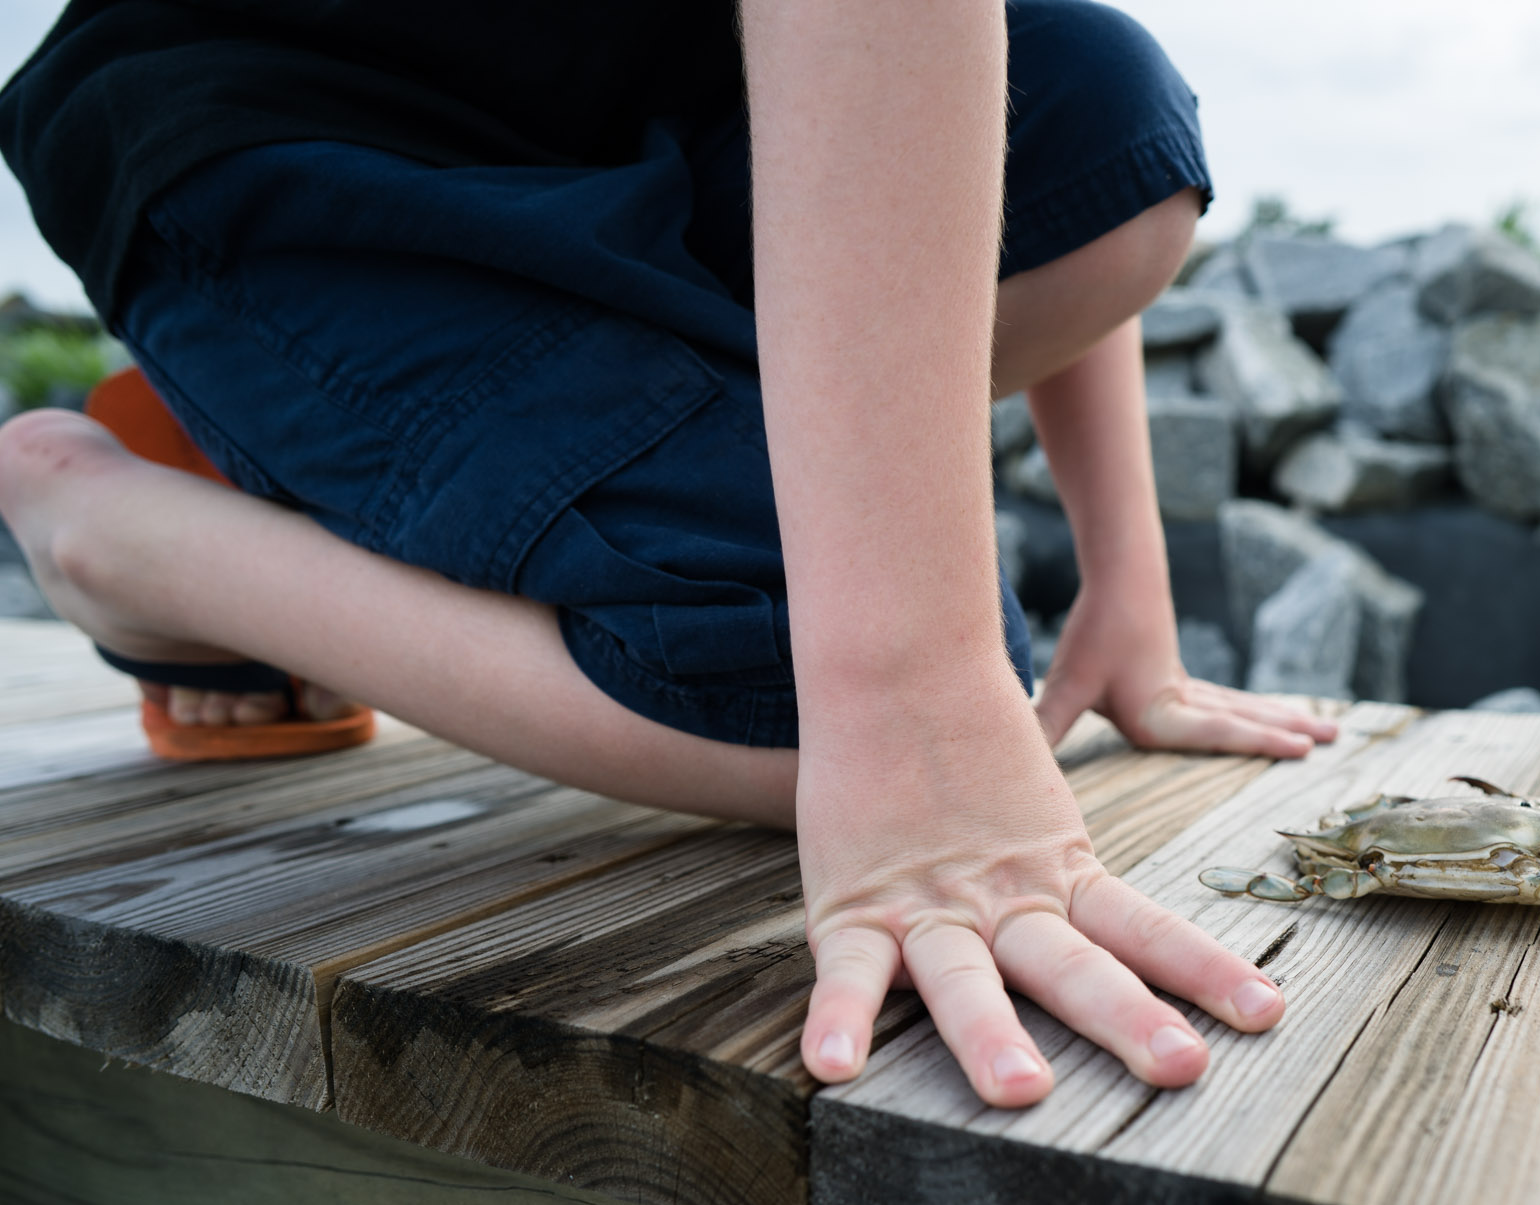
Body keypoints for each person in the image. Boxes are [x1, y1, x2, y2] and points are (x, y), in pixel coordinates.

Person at [0, 0, 1336, 1107]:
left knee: (1113, 125)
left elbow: (948, 84)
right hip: (281, 109)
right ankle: (112, 529)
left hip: (619, 94)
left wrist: (1127, 578)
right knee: (798, 696)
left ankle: (335, 445)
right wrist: (911, 692)